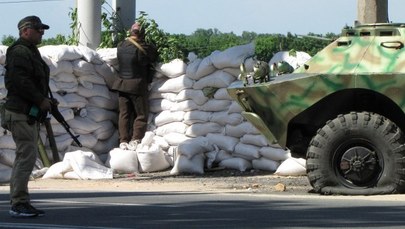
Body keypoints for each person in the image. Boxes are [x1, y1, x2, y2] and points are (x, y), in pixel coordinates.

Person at [2, 15, 52, 217]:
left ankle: (21, 201)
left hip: (27, 112)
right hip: (20, 112)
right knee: (26, 157)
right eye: (38, 29)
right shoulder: (19, 51)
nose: (42, 32)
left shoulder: (31, 51)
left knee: (27, 157)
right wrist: (40, 99)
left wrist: (45, 101)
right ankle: (18, 203)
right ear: (25, 31)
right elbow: (19, 81)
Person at [113, 22, 158, 151]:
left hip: (122, 84)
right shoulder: (144, 47)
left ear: (130, 32)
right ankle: (136, 139)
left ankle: (123, 140)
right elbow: (154, 55)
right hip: (137, 85)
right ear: (142, 33)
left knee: (124, 114)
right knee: (141, 114)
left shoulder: (121, 46)